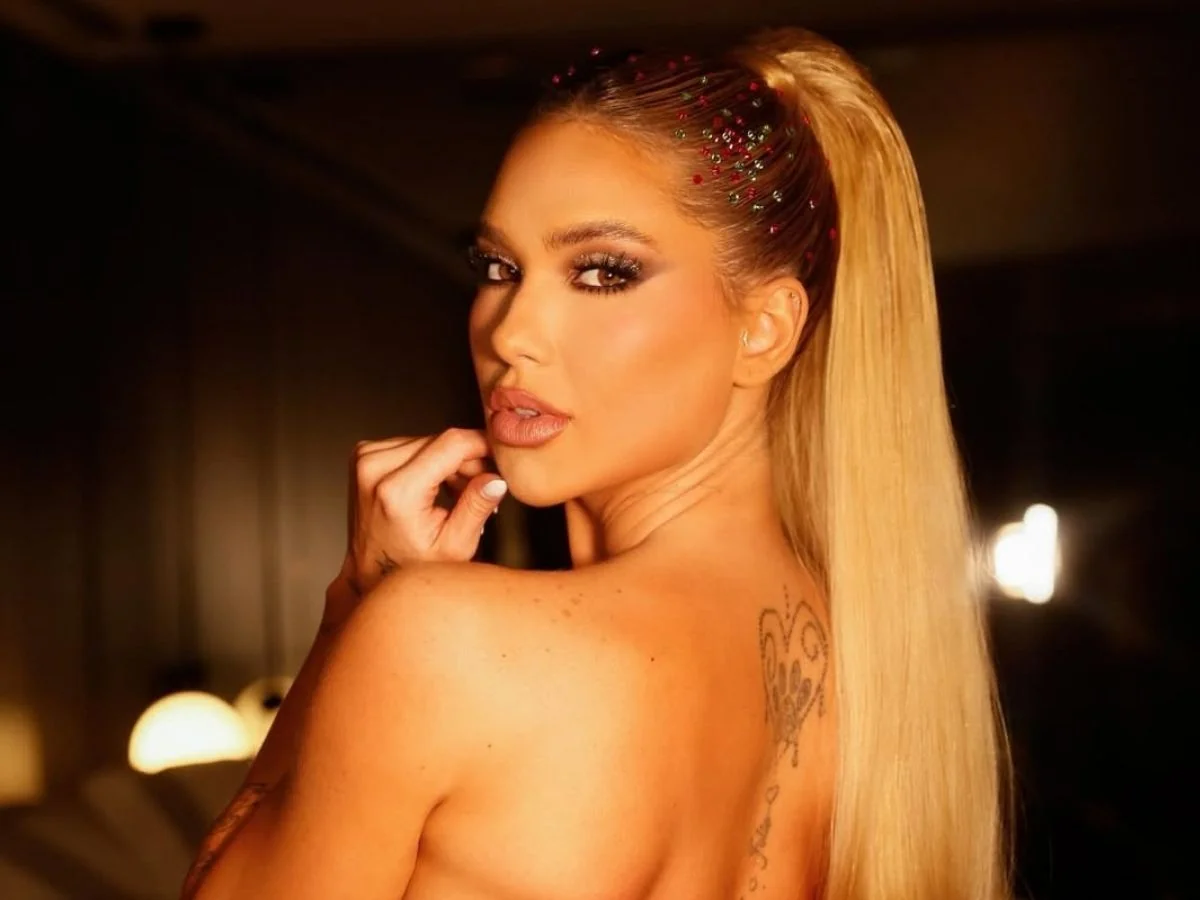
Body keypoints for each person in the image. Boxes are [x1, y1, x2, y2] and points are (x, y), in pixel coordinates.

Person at [182, 27, 1010, 900]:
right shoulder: (879, 675)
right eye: (498, 266)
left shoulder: (444, 644)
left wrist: (354, 605)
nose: (511, 332)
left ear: (764, 328)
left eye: (603, 273)